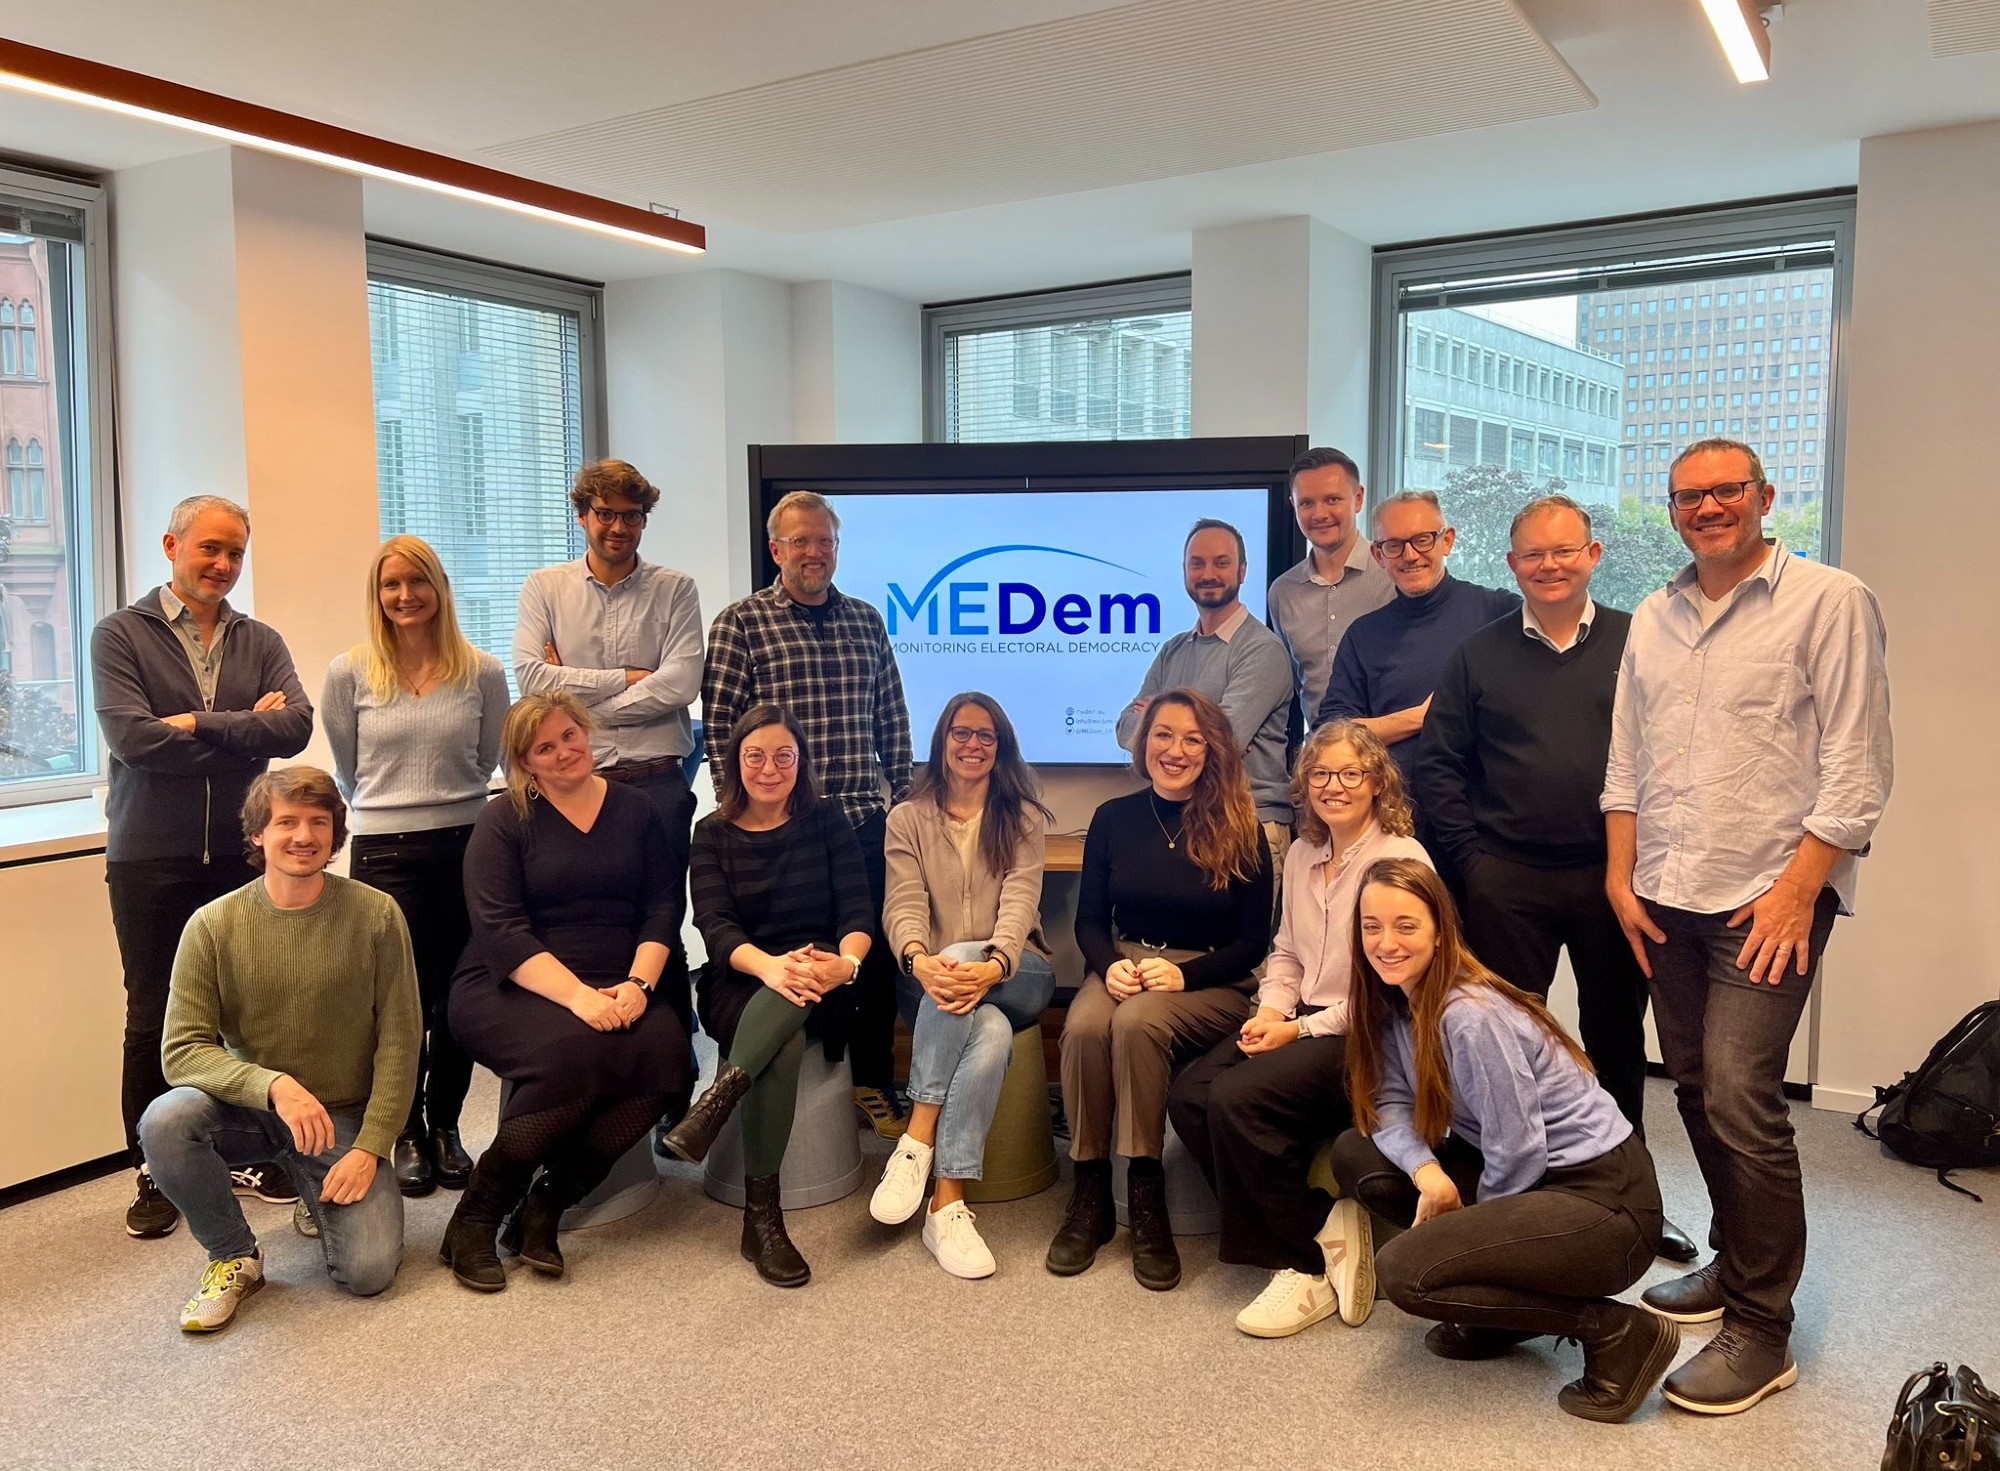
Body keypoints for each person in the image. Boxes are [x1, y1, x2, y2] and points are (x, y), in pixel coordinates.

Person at [1603, 438, 1892, 1415]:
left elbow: (1857, 764)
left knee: (1737, 1093)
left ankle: (1763, 1328)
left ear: (1764, 496)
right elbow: (1626, 758)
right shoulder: (1654, 613)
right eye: (1687, 495)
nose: (1707, 507)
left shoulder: (1829, 600)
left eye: (1726, 490)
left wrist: (1800, 888)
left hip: (1767, 900)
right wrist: (1619, 875)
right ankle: (1734, 1262)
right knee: (1692, 1084)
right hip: (1664, 893)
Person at [1415, 495, 1697, 1265]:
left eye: (1565, 550)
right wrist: (1474, 866)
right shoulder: (1477, 654)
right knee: (1505, 1045)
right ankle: (1519, 1195)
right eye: (1534, 554)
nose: (1550, 565)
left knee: (1616, 1039)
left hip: (1615, 880)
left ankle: (1629, 1200)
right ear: (1512, 565)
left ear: (1593, 555)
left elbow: (1676, 755)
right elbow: (1439, 766)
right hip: (1507, 880)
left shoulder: (1641, 642)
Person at [1324, 858, 1678, 1424]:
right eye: (1372, 926)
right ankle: (1506, 1314)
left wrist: (1471, 1245)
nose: (1386, 943)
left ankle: (1616, 1330)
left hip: (1605, 1203)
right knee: (1357, 1154)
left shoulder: (1469, 1015)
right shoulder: (1393, 1001)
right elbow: (1387, 1104)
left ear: (1440, 931)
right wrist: (1428, 1174)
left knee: (1406, 1272)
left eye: (1406, 925)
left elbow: (1519, 1149)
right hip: (1536, 1178)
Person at [91, 494, 313, 1240]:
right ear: (171, 545)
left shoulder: (260, 638)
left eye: (235, 553)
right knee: (154, 1014)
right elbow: (135, 742)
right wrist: (247, 730)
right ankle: (152, 1169)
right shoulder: (120, 634)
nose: (222, 564)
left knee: (248, 1013)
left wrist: (196, 722)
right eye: (209, 548)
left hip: (243, 856)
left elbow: (296, 726)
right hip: (150, 856)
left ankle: (251, 1152)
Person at [1166, 721, 1427, 1337]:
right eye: (1320, 774)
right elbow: (1285, 951)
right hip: (1300, 1016)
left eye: (1350, 773)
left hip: (1370, 1033)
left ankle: (1302, 1264)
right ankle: (1319, 1224)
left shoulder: (1401, 859)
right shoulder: (1307, 851)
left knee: (1237, 1098)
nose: (1334, 786)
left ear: (1377, 782)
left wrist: (1300, 1032)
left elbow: (1394, 987)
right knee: (1191, 1096)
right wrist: (1270, 1012)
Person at [140, 767, 420, 1332]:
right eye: (287, 822)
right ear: (257, 834)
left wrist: (371, 1146)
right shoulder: (211, 926)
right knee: (166, 1121)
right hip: (251, 1109)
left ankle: (313, 1194)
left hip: (340, 1117)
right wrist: (273, 1085)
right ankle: (233, 1255)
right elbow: (182, 1051)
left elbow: (401, 1039)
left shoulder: (377, 914)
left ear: (335, 833)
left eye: (319, 822)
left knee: (369, 1273)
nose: (304, 836)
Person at [441, 692, 693, 1292]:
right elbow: (500, 929)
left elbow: (662, 905)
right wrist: (580, 998)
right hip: (514, 979)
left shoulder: (634, 808)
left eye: (569, 737)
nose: (562, 753)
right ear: (524, 763)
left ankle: (545, 1204)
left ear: (587, 732)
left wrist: (640, 984)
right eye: (544, 748)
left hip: (618, 974)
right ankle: (475, 1218)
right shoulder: (502, 820)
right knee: (570, 1056)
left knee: (668, 1058)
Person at [703, 491, 912, 1140]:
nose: (814, 552)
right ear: (776, 550)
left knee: (871, 958)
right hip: (783, 829)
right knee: (786, 946)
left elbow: (891, 714)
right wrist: (742, 815)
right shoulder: (741, 624)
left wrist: (904, 800)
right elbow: (722, 731)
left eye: (824, 540)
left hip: (861, 820)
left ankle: (871, 1080)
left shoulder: (867, 621)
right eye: (800, 541)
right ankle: (769, 1064)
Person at [1051, 688, 1273, 1292]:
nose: (1175, 750)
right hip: (1128, 963)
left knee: (1137, 1022)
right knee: (1084, 1025)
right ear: (1143, 741)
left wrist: (1184, 975)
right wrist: (1107, 966)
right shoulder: (1113, 818)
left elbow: (1253, 942)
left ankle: (1145, 1190)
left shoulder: (1241, 826)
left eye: (1193, 739)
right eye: (1163, 735)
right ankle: (1090, 1190)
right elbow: (1089, 921)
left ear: (1213, 749)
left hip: (1211, 978)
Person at [661, 705, 875, 1288]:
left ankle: (720, 1111)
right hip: (740, 978)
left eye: (784, 755)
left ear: (801, 762)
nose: (770, 768)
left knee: (796, 996)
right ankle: (762, 1219)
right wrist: (773, 968)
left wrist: (846, 966)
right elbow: (716, 928)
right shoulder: (711, 833)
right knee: (783, 1036)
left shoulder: (827, 819)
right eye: (755, 756)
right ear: (735, 762)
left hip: (825, 979)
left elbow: (857, 913)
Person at [323, 535, 508, 1198]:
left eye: (417, 581)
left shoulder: (482, 670)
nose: (405, 596)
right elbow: (348, 769)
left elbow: (488, 759)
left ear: (440, 587)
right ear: (377, 595)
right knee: (397, 1005)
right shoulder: (349, 672)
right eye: (391, 584)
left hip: (466, 846)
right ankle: (403, 1131)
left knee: (456, 1000)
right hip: (385, 852)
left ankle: (446, 1127)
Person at [515, 458, 704, 1087]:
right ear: (582, 515)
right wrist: (627, 678)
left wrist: (576, 710)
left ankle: (671, 1076)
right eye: (605, 514)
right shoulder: (545, 588)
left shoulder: (675, 589)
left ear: (644, 520)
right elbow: (532, 677)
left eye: (631, 515)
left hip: (655, 780)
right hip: (570, 785)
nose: (618, 527)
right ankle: (584, 1052)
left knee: (661, 920)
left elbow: (681, 683)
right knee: (578, 923)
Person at [872, 693, 1058, 1279]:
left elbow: (1020, 903)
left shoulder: (1022, 817)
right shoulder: (906, 818)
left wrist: (994, 964)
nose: (972, 745)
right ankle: (947, 1204)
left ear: (1000, 747)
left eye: (985, 735)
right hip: (928, 979)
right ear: (942, 741)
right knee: (991, 1031)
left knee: (971, 971)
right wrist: (918, 959)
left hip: (1017, 974)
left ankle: (916, 1136)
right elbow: (902, 902)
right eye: (961, 733)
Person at [1115, 519, 1295, 867]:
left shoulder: (1262, 650)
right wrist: (1203, 725)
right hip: (1182, 821)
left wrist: (1157, 718)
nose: (1208, 574)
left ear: (1242, 571)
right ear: (1185, 571)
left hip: (1248, 823)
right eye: (1197, 563)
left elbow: (1224, 740)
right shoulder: (1173, 650)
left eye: (1221, 563)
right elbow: (1124, 728)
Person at [1315, 490, 1520, 788]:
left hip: (1488, 805)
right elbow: (1332, 734)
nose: (1410, 555)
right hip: (1396, 807)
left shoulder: (1499, 612)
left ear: (1447, 540)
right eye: (1394, 545)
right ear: (1378, 555)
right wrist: (1420, 718)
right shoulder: (1364, 635)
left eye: (1423, 540)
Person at [1266, 447, 1393, 728]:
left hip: (1394, 751)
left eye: (1332, 499)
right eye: (1306, 503)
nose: (1320, 514)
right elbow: (1294, 684)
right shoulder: (1283, 593)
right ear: (1293, 505)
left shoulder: (1393, 577)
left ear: (1358, 498)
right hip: (1320, 751)